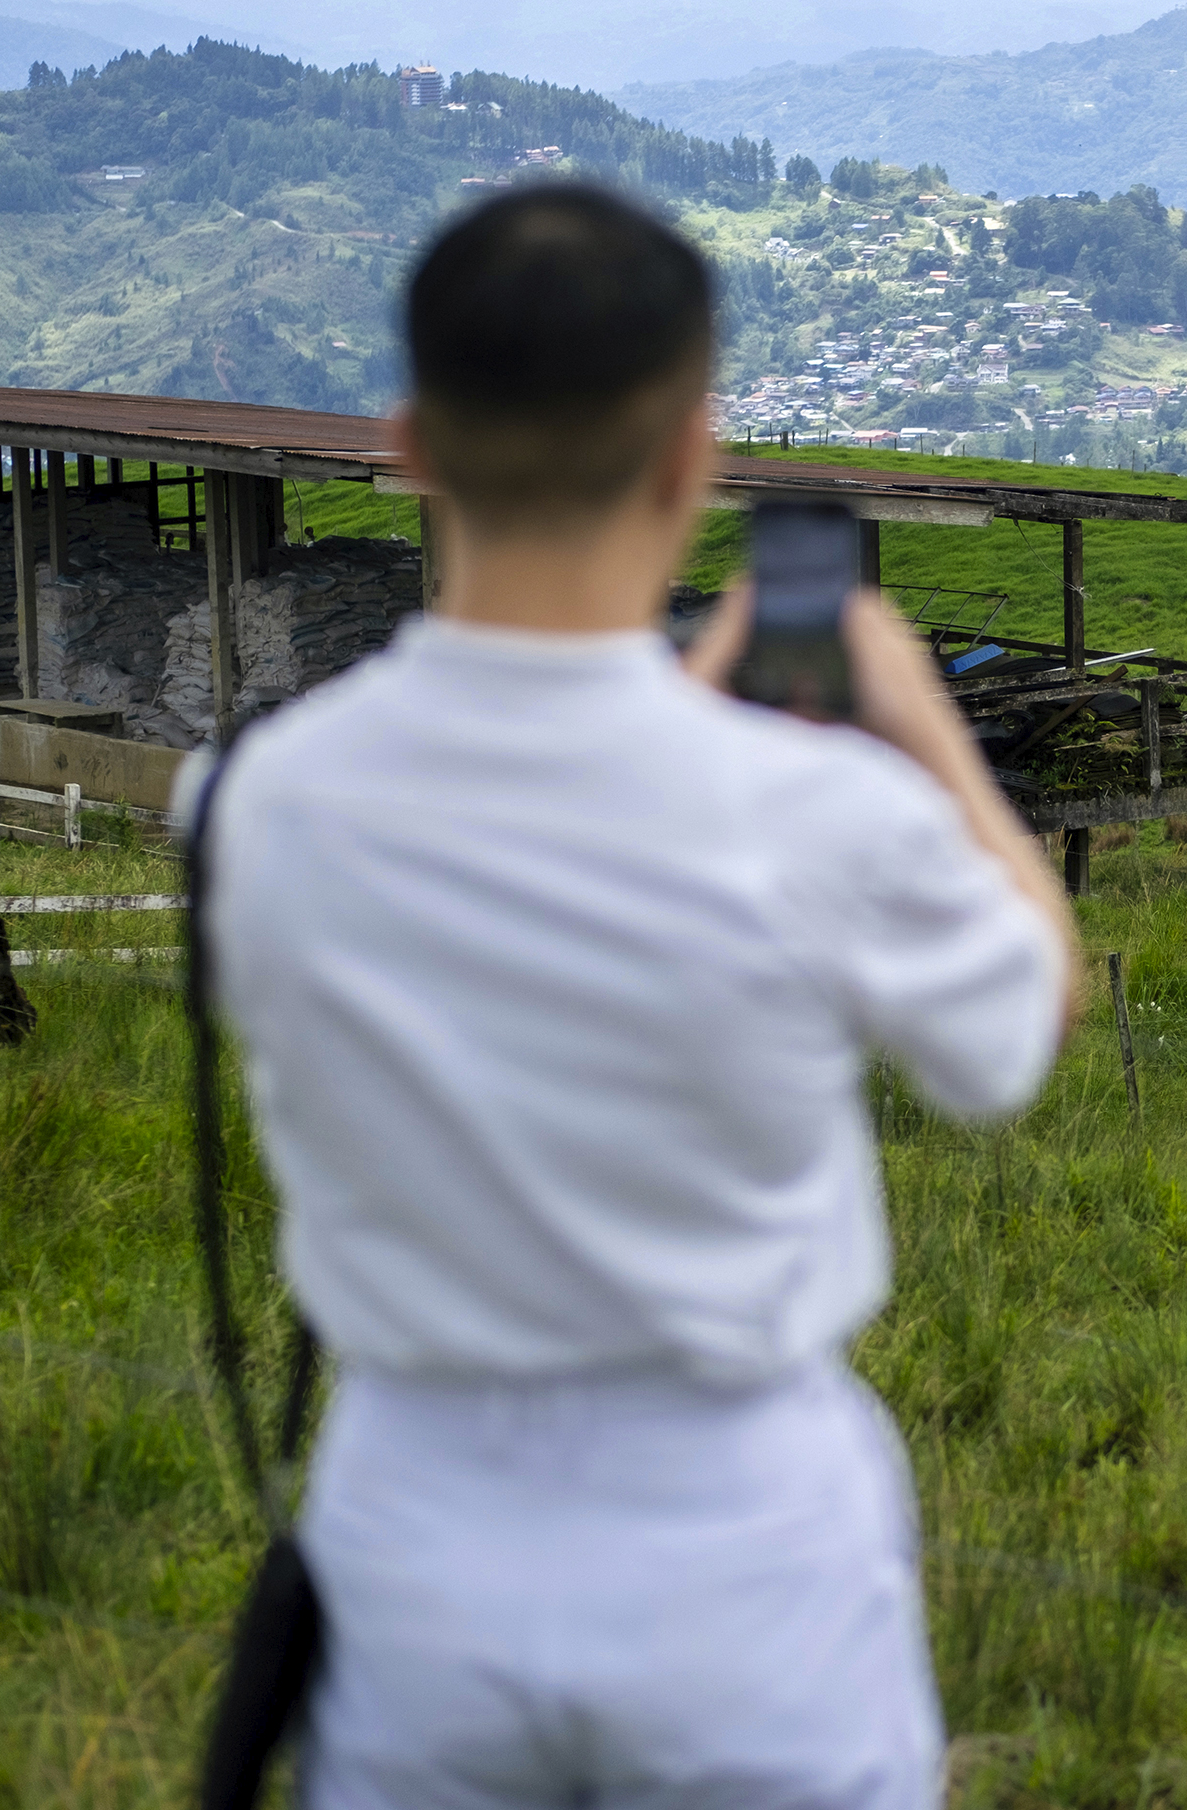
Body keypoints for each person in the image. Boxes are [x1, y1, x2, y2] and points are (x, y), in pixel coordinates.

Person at [200, 184, 1078, 1808]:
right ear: (692, 455)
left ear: (410, 445)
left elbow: (549, 813)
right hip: (740, 1552)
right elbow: (1013, 1034)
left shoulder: (262, 798)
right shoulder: (812, 818)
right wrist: (917, 727)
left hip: (411, 1529)